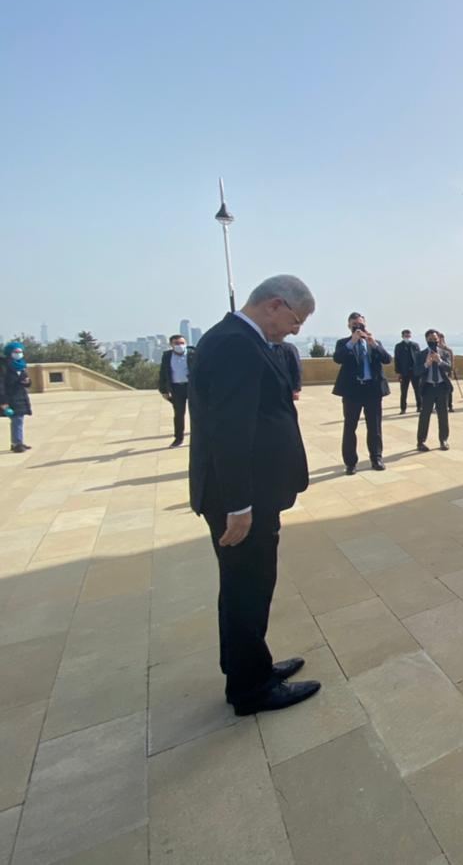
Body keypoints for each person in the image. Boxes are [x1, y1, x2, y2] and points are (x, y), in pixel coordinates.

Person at [187, 274, 320, 716]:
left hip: (252, 493)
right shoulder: (235, 344)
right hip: (243, 499)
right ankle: (251, 688)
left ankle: (247, 665)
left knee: (248, 584)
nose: (296, 330)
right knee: (248, 586)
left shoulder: (240, 339)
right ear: (274, 305)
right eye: (296, 320)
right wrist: (238, 505)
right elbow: (230, 430)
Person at [333, 312, 391, 474]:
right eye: (354, 325)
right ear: (349, 326)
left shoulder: (374, 342)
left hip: (372, 390)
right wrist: (352, 341)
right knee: (350, 427)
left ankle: (376, 458)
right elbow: (338, 358)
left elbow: (387, 359)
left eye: (361, 325)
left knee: (375, 427)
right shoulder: (343, 343)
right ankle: (350, 463)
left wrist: (373, 344)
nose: (358, 327)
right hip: (352, 391)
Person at [416, 329, 451, 451]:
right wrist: (426, 364)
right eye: (431, 339)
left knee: (443, 415)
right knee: (425, 415)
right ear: (426, 340)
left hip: (441, 387)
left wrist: (440, 361)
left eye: (435, 339)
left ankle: (444, 440)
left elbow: (449, 367)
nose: (434, 341)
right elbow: (416, 371)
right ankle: (421, 441)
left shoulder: (444, 353)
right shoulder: (421, 354)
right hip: (428, 388)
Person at [158, 334, 195, 447]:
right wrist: (163, 390)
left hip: (191, 387)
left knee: (196, 413)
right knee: (179, 414)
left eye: (182, 343)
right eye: (177, 343)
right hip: (176, 388)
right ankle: (178, 438)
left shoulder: (193, 354)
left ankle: (198, 438)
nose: (180, 345)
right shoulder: (167, 356)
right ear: (171, 345)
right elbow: (163, 373)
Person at [1, 342, 33, 453]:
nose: (19, 354)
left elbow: (26, 381)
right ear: (9, 353)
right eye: (16, 352)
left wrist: (27, 382)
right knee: (17, 420)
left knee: (19, 420)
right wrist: (3, 402)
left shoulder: (21, 365)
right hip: (10, 397)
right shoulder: (4, 366)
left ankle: (18, 442)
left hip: (20, 396)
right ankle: (16, 443)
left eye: (20, 351)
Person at [394, 329, 421, 415]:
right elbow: (396, 360)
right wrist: (398, 372)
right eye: (406, 335)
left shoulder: (415, 345)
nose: (407, 337)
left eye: (408, 335)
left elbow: (419, 358)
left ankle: (420, 407)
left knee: (418, 390)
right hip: (404, 372)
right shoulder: (398, 346)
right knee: (404, 392)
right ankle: (403, 408)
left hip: (414, 371)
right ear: (402, 336)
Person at [438, 332, 457, 411]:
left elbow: (452, 361)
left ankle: (450, 405)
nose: (441, 340)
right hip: (438, 371)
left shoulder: (449, 350)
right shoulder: (435, 349)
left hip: (447, 371)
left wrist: (451, 371)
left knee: (448, 389)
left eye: (442, 338)